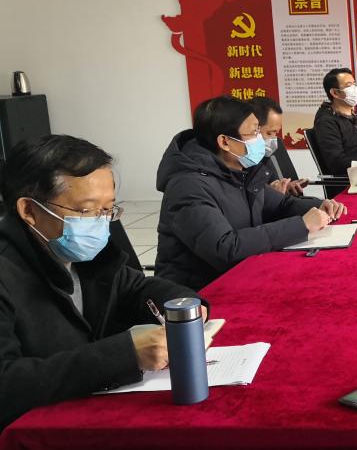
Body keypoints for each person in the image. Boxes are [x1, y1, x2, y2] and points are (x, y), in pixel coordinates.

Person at [0, 135, 206, 429]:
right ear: (29, 211)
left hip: (91, 412)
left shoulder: (87, 253)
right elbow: (7, 383)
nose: (99, 222)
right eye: (86, 211)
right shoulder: (8, 272)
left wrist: (184, 305)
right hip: (30, 437)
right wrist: (125, 355)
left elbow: (135, 288)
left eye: (107, 209)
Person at [155, 96, 346, 290]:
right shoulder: (188, 186)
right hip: (200, 293)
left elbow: (281, 204)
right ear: (225, 142)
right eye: (254, 132)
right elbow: (226, 248)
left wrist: (319, 205)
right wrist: (302, 225)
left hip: (244, 272)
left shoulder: (240, 171)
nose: (260, 140)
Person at [313, 68, 357, 176]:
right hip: (350, 180)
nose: (355, 89)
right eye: (349, 85)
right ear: (335, 92)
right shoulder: (325, 122)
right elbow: (337, 163)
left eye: (355, 84)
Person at [249, 96, 305, 197]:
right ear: (251, 129)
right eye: (269, 133)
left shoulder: (269, 151)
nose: (273, 139)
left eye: (276, 132)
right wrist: (272, 193)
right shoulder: (244, 159)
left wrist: (286, 187)